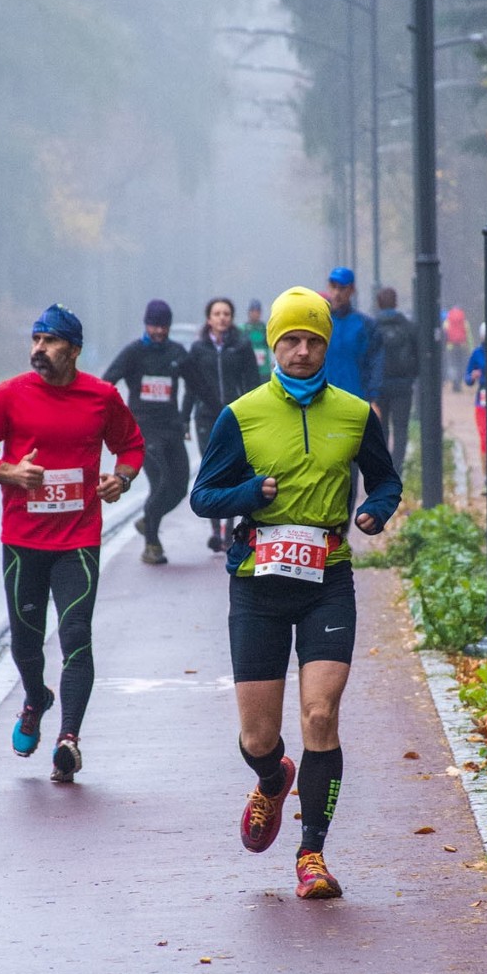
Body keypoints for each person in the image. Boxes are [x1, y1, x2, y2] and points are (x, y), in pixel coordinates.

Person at [189, 286, 402, 900]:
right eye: (291, 341)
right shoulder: (242, 414)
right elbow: (203, 496)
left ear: (326, 347)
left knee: (320, 715)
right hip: (257, 585)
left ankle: (312, 855)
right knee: (259, 737)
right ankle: (272, 777)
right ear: (274, 345)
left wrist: (375, 513)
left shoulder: (357, 415)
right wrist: (250, 494)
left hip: (326, 583)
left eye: (312, 341)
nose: (302, 351)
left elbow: (385, 482)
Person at [0, 304, 144, 782]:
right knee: (26, 641)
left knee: (76, 634)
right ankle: (36, 698)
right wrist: (9, 471)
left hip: (78, 540)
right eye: (35, 340)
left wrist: (120, 480)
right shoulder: (9, 396)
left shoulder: (101, 397)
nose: (38, 349)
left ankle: (68, 739)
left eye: (50, 341)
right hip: (22, 541)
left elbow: (132, 445)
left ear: (74, 350)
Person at [103, 299, 209, 565]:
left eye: (164, 326)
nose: (159, 331)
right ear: (146, 324)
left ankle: (149, 519)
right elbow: (106, 383)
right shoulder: (134, 353)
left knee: (180, 488)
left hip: (171, 429)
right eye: (154, 326)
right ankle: (152, 544)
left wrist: (225, 411)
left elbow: (200, 386)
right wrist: (115, 418)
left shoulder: (176, 353)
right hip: (143, 431)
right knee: (161, 482)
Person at [183, 297, 260, 552]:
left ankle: (230, 532)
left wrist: (256, 415)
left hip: (235, 417)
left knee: (233, 471)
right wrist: (184, 418)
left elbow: (252, 383)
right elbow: (191, 387)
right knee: (211, 471)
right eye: (217, 313)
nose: (222, 318)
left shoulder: (242, 346)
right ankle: (215, 532)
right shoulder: (197, 349)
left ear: (231, 317)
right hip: (205, 417)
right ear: (209, 319)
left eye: (226, 313)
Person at [375, 286, 419, 475]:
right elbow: (418, 354)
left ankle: (383, 468)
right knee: (401, 428)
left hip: (379, 387)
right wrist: (410, 377)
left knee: (381, 428)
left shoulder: (372, 326)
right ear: (396, 302)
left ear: (378, 303)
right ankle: (397, 468)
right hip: (402, 386)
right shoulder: (408, 326)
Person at [323, 266, 382, 407]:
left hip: (356, 400)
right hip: (323, 400)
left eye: (342, 288)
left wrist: (373, 398)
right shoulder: (320, 322)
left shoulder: (366, 325)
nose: (337, 293)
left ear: (352, 290)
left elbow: (376, 362)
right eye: (333, 287)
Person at [464, 322, 487, 492]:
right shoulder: (477, 353)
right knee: (485, 439)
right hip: (483, 400)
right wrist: (472, 376)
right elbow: (467, 378)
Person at [241, 297, 271, 383]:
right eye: (252, 311)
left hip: (264, 371)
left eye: (257, 311)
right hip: (248, 370)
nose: (255, 314)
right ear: (248, 312)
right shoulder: (242, 329)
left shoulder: (266, 329)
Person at [443, 305, 472, 392]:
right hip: (462, 346)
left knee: (452, 365)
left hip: (450, 347)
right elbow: (469, 336)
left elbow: (444, 335)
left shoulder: (447, 322)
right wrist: (470, 348)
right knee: (460, 365)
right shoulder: (464, 322)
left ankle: (454, 382)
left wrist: (444, 347)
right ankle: (459, 383)